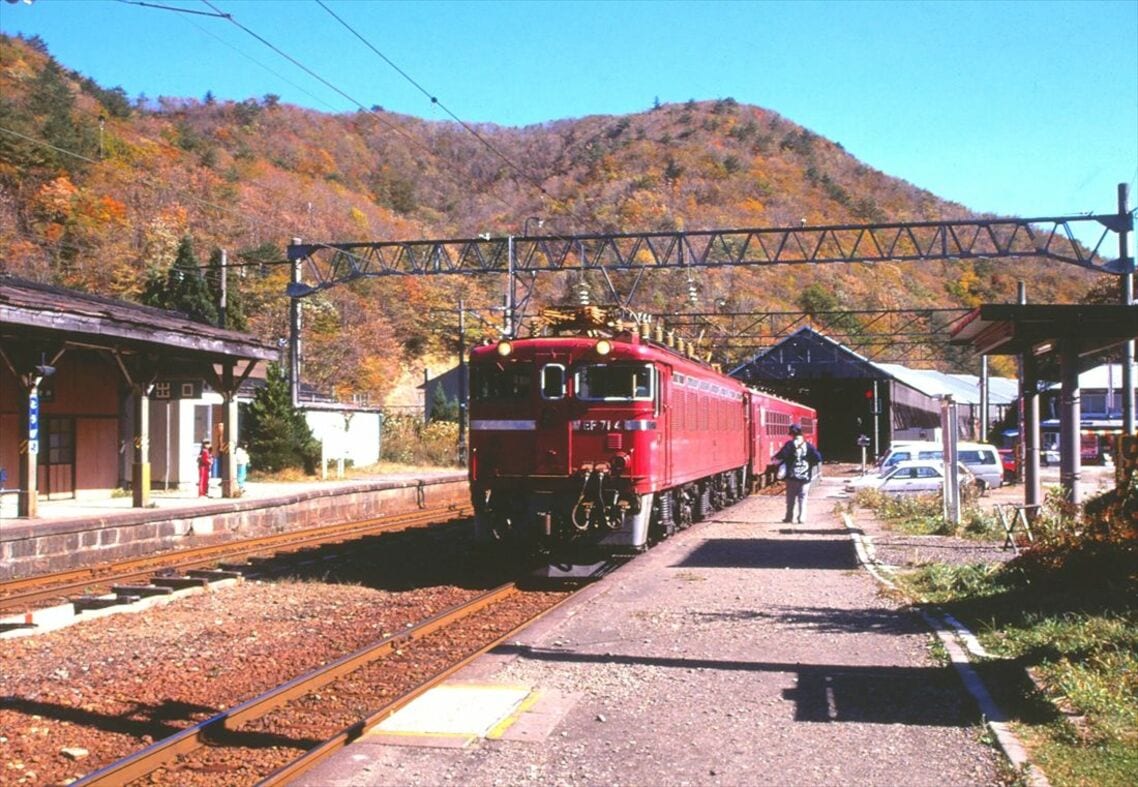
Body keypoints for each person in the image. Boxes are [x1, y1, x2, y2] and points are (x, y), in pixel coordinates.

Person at [774, 423, 822, 524]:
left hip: (792, 477)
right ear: (801, 434)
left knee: (790, 499)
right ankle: (801, 518)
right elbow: (818, 458)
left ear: (792, 434)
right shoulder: (808, 446)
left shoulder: (790, 445)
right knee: (803, 498)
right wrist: (809, 464)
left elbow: (780, 456)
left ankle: (789, 517)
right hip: (805, 477)